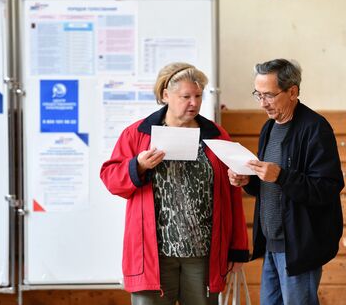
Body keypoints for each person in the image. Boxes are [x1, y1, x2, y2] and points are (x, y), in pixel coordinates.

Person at [100, 62, 249, 305]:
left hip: (203, 255)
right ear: (165, 95)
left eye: (198, 96)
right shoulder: (137, 134)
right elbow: (111, 179)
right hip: (152, 255)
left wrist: (238, 249)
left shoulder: (216, 135)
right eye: (186, 96)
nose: (194, 103)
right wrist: (138, 165)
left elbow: (232, 196)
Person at [228, 58, 345, 305]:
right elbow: (271, 185)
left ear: (292, 91)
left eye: (269, 95)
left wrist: (281, 175)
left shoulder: (315, 128)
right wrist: (247, 181)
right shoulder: (268, 128)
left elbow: (327, 188)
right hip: (272, 244)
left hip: (299, 245)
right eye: (257, 95)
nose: (262, 104)